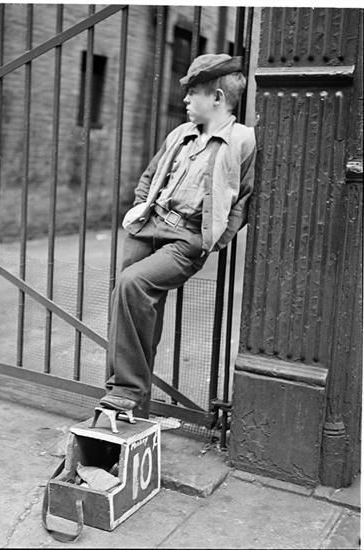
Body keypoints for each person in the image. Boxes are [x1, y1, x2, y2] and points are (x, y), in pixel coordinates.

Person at [99, 53, 257, 415]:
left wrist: (212, 238)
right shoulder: (180, 134)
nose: (185, 100)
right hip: (149, 225)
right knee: (132, 305)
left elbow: (245, 199)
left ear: (217, 97)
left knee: (132, 284)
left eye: (193, 92)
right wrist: (141, 209)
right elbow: (148, 177)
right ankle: (128, 403)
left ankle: (124, 389)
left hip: (187, 238)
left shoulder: (242, 140)